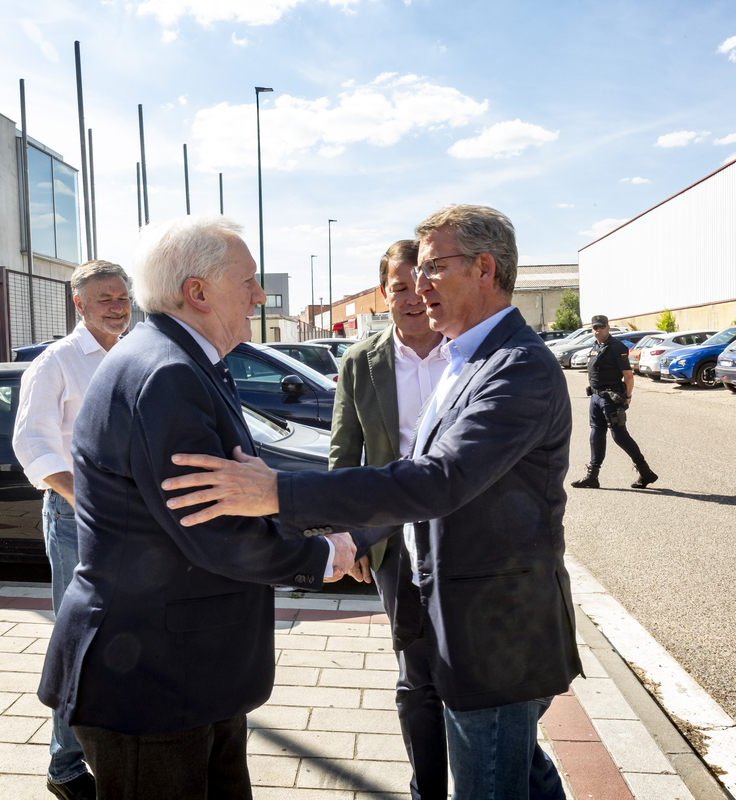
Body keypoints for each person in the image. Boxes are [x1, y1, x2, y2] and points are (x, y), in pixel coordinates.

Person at [164, 204, 580, 800]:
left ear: (485, 269)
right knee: (521, 772)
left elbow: (437, 480)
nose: (420, 284)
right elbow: (403, 475)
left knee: (490, 776)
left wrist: (277, 491)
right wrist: (353, 536)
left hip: (494, 636)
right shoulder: (469, 357)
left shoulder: (516, 369)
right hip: (462, 619)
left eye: (435, 267)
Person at [37, 215, 355, 800]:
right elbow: (219, 529)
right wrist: (326, 555)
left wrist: (316, 515)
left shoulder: (182, 359)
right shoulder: (168, 373)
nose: (259, 296)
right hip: (151, 685)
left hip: (187, 671)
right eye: (249, 281)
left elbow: (242, 486)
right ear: (198, 291)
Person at [330, 239, 449, 800]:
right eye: (396, 287)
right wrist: (345, 536)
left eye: (417, 284)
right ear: (385, 293)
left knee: (474, 670)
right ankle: (429, 787)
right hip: (393, 541)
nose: (409, 297)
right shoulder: (361, 362)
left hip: (465, 536)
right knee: (415, 668)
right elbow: (343, 455)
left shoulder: (465, 352)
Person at [13, 260, 132, 800]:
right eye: (104, 297)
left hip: (132, 517)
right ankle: (65, 766)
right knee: (79, 637)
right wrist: (84, 498)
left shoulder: (133, 355)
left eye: (123, 296)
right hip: (74, 517)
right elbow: (32, 444)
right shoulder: (55, 362)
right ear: (79, 306)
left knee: (123, 633)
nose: (117, 305)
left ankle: (111, 745)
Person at [570, 314, 658, 490]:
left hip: (611, 398)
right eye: (595, 327)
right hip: (595, 398)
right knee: (596, 434)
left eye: (601, 327)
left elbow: (628, 375)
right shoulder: (596, 346)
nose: (598, 330)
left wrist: (628, 396)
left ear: (608, 328)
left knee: (620, 436)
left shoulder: (617, 347)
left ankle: (645, 471)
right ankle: (592, 476)